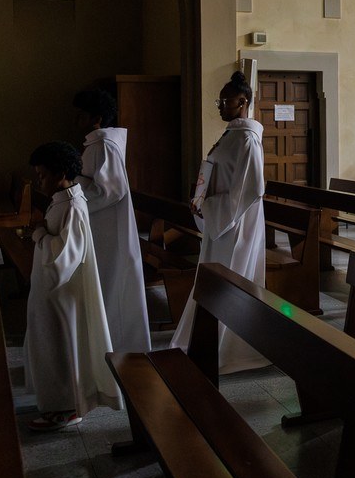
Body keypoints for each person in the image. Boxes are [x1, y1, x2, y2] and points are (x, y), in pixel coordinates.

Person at [171, 71, 268, 373]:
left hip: (236, 224)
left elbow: (249, 189)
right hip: (220, 221)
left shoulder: (248, 140)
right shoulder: (231, 135)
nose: (221, 106)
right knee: (214, 277)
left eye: (226, 101)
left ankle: (230, 347)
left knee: (230, 277)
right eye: (220, 101)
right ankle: (205, 337)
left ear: (243, 101)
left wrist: (210, 205)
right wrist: (202, 200)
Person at [24, 141, 120, 432]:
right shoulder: (62, 200)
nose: (39, 181)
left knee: (61, 348)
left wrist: (39, 234)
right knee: (51, 346)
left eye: (43, 175)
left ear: (61, 173)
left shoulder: (73, 206)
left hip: (62, 294)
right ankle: (58, 402)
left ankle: (67, 407)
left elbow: (65, 257)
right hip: (51, 292)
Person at [73, 89, 151, 353]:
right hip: (101, 225)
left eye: (81, 114)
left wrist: (77, 194)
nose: (76, 119)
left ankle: (117, 347)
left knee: (112, 285)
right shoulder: (96, 144)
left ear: (96, 117)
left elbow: (112, 190)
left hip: (109, 229)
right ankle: (103, 345)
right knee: (105, 284)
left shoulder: (105, 145)